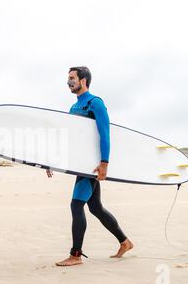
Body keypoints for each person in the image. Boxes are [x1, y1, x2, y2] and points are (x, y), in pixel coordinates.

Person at [46, 66, 133, 266]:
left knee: (76, 205)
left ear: (83, 80)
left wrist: (104, 163)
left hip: (91, 166)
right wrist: (52, 159)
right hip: (80, 164)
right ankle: (125, 242)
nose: (68, 82)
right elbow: (70, 139)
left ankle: (76, 255)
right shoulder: (74, 107)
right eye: (68, 78)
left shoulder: (96, 103)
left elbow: (105, 134)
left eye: (72, 78)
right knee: (96, 208)